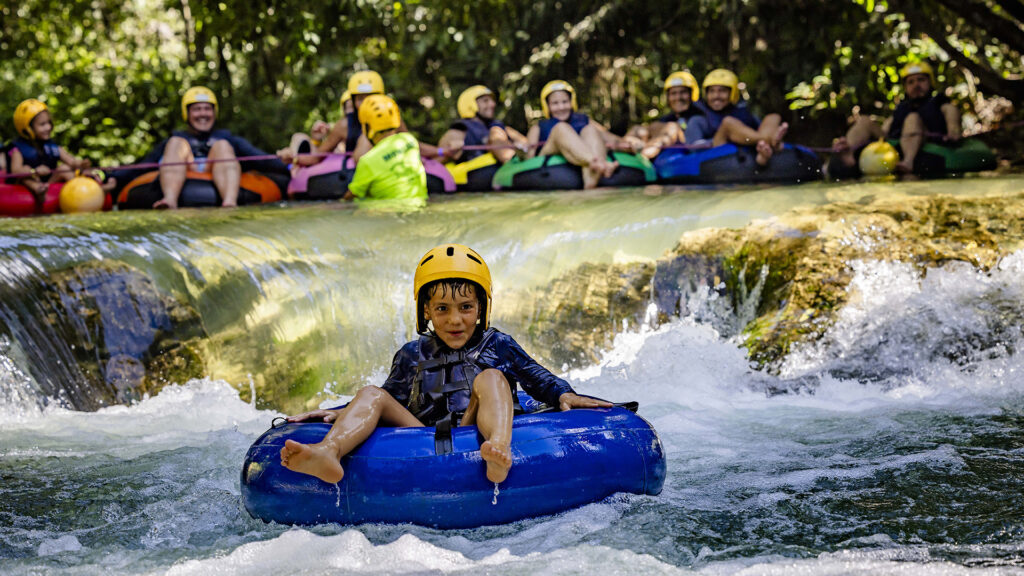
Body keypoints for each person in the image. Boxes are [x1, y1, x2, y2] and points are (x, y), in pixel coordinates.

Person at [279, 243, 612, 484]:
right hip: (422, 436)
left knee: (492, 378)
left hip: (474, 427)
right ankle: (329, 451)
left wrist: (564, 394)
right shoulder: (411, 354)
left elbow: (537, 378)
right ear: (425, 310)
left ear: (481, 308)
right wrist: (340, 412)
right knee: (370, 392)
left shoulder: (498, 344)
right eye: (442, 309)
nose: (455, 320)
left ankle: (498, 451)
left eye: (466, 307)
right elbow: (387, 401)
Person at [110, 86, 288, 209]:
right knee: (176, 143)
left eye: (207, 109)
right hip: (184, 168)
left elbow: (260, 159)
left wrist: (288, 165)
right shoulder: (176, 139)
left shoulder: (228, 139)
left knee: (222, 146)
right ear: (187, 113)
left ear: (214, 112)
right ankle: (169, 200)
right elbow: (143, 166)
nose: (203, 114)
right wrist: (113, 178)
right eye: (197, 109)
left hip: (216, 168)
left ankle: (229, 202)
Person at [830, 60, 962, 177]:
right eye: (911, 82)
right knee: (864, 120)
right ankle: (848, 154)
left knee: (912, 118)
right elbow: (885, 133)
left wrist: (953, 134)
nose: (916, 85)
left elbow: (954, 127)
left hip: (925, 144)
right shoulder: (901, 109)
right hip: (896, 146)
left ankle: (908, 162)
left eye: (921, 80)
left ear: (930, 82)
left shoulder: (943, 106)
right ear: (905, 87)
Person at [525, 80, 625, 189]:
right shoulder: (537, 128)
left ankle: (590, 186)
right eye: (555, 103)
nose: (561, 107)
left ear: (571, 102)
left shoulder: (584, 121)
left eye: (565, 101)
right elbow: (529, 160)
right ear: (547, 106)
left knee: (590, 129)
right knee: (561, 128)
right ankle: (599, 164)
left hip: (581, 158)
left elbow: (612, 139)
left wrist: (630, 145)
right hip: (548, 155)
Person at [7, 99, 108, 201]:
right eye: (42, 124)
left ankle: (89, 191)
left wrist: (81, 164)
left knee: (64, 168)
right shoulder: (18, 149)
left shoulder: (52, 146)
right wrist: (34, 171)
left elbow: (71, 161)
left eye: (49, 123)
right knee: (25, 171)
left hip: (49, 183)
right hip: (30, 184)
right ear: (27, 128)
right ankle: (38, 189)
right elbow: (16, 171)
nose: (48, 127)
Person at [687, 69, 789, 166]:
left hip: (749, 149)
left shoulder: (742, 112)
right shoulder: (697, 119)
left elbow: (759, 129)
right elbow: (694, 150)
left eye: (722, 91)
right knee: (728, 123)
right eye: (711, 91)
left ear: (733, 93)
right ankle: (771, 142)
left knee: (773, 117)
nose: (716, 96)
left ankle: (763, 152)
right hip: (717, 153)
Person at [344, 94, 428, 206]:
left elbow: (351, 195)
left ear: (367, 126)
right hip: (420, 205)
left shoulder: (367, 161)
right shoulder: (410, 141)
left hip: (387, 212)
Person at [624, 71, 707, 159]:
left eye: (683, 92)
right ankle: (623, 149)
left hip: (689, 157)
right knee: (639, 129)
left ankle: (643, 156)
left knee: (671, 127)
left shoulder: (702, 114)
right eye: (673, 93)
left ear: (692, 94)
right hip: (661, 154)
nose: (678, 97)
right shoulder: (667, 118)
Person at [438, 85, 528, 165]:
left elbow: (529, 145)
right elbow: (438, 158)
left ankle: (516, 164)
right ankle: (514, 164)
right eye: (485, 101)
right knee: (495, 133)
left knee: (496, 131)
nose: (493, 104)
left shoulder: (500, 127)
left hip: (502, 172)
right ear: (470, 105)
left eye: (492, 101)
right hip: (477, 174)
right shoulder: (458, 131)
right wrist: (449, 151)